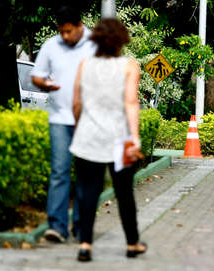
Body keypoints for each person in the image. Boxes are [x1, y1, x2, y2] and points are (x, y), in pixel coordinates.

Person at [69, 18, 146, 262]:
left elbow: (76, 104)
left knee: (88, 193)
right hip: (119, 141)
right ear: (122, 40)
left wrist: (81, 126)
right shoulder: (129, 66)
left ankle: (85, 245)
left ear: (96, 39)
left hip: (87, 139)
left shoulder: (85, 65)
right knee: (124, 193)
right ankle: (132, 243)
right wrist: (135, 138)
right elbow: (131, 103)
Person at [31, 6, 97, 243]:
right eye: (62, 32)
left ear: (80, 26)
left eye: (69, 31)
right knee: (59, 172)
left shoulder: (95, 44)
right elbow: (37, 74)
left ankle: (80, 226)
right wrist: (45, 85)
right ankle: (57, 227)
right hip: (59, 119)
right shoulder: (51, 45)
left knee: (84, 174)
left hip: (87, 121)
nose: (65, 37)